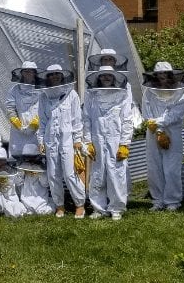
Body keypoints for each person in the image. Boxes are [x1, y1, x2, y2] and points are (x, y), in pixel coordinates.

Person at [83, 66, 134, 220]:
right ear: (98, 78)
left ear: (114, 78)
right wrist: (87, 141)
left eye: (109, 76)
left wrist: (125, 143)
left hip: (116, 140)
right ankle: (98, 208)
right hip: (97, 140)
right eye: (103, 75)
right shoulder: (91, 95)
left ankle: (116, 208)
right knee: (98, 173)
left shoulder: (122, 94)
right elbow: (86, 118)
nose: (106, 78)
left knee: (116, 173)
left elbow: (127, 120)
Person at [37, 64, 87, 219]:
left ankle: (80, 205)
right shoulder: (43, 96)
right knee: (53, 174)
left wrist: (78, 139)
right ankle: (60, 206)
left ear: (62, 76)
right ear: (48, 78)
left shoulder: (72, 94)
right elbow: (43, 121)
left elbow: (77, 119)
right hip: (50, 139)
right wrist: (41, 141)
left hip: (67, 140)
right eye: (51, 75)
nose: (54, 77)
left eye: (57, 74)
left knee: (70, 173)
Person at [142, 62, 184, 212]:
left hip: (172, 133)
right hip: (152, 132)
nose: (162, 77)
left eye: (165, 74)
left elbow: (177, 113)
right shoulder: (149, 92)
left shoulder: (179, 93)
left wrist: (160, 125)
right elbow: (146, 111)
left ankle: (173, 201)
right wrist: (155, 126)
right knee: (154, 167)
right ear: (155, 76)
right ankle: (158, 200)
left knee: (172, 168)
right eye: (159, 74)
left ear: (171, 75)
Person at [4, 61, 42, 158]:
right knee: (16, 161)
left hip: (36, 132)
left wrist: (35, 124)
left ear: (35, 73)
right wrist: (17, 123)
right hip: (18, 132)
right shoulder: (14, 90)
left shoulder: (42, 90)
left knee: (34, 162)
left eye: (31, 71)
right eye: (26, 71)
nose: (28, 73)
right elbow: (10, 108)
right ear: (22, 73)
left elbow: (44, 108)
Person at [14, 143, 56, 215]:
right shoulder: (21, 168)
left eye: (32, 158)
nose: (30, 160)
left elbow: (45, 184)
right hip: (25, 200)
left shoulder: (42, 169)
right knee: (19, 211)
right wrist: (22, 172)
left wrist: (39, 174)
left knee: (44, 212)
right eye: (27, 158)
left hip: (40, 200)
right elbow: (18, 183)